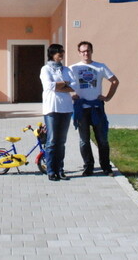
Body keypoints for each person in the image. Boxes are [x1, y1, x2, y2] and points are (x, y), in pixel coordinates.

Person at [70, 41, 120, 177]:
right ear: (79, 53)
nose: (86, 53)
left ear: (92, 51)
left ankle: (106, 167)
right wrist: (71, 96)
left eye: (88, 51)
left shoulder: (100, 67)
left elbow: (115, 81)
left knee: (102, 139)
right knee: (84, 140)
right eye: (83, 51)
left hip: (97, 107)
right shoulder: (73, 68)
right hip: (81, 109)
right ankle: (88, 167)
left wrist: (107, 97)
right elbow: (63, 84)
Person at [40, 44, 75, 182]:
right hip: (52, 108)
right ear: (52, 54)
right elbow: (48, 86)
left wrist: (59, 85)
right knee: (52, 140)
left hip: (66, 108)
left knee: (62, 141)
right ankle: (51, 170)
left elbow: (74, 86)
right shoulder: (45, 69)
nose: (61, 54)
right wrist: (64, 84)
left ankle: (60, 170)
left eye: (62, 52)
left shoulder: (66, 69)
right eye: (59, 52)